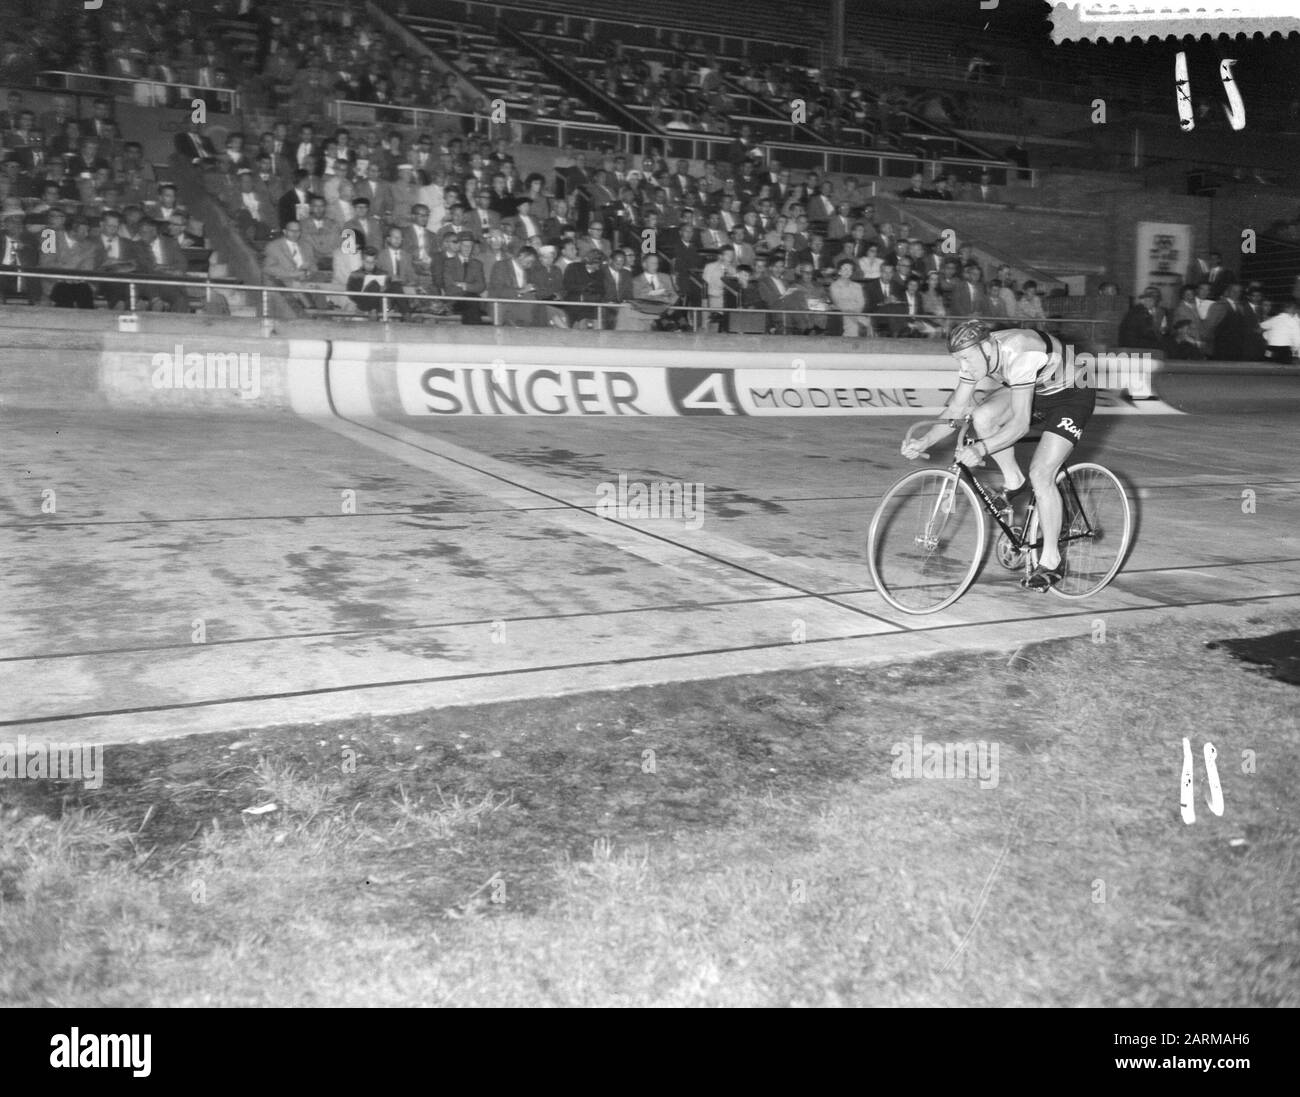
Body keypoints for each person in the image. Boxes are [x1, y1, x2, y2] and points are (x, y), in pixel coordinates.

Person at [900, 320, 1096, 592]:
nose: (963, 368)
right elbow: (957, 407)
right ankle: (1014, 480)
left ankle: (1052, 560)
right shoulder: (979, 356)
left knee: (1041, 474)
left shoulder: (1022, 352)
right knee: (981, 416)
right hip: (1035, 388)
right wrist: (925, 441)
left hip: (1072, 396)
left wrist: (980, 448)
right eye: (958, 361)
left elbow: (1019, 425)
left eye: (966, 359)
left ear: (986, 346)